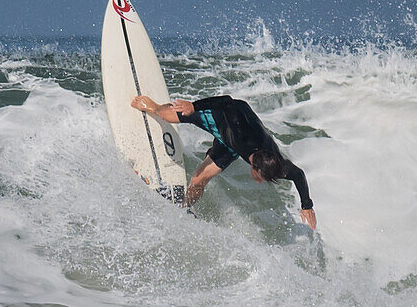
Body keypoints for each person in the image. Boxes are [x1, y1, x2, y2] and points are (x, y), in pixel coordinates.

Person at [131, 92, 317, 229]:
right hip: (220, 121)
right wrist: (194, 106)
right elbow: (230, 101)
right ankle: (153, 106)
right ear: (254, 165)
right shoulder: (242, 130)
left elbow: (298, 175)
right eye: (259, 177)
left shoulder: (277, 165)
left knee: (198, 181)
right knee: (167, 115)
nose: (258, 181)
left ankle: (182, 207)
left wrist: (307, 205)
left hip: (230, 146)